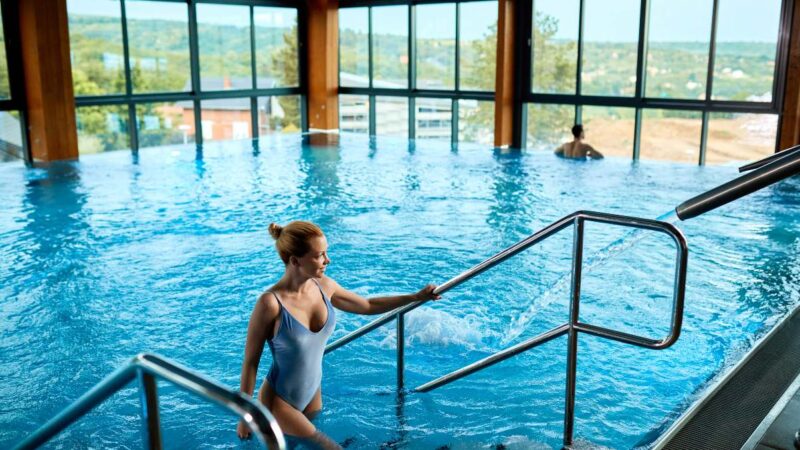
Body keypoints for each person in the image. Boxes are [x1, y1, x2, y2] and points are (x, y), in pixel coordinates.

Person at [236, 221, 441, 448]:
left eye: (326, 253)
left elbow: (367, 304)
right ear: (295, 261)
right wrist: (245, 415)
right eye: (319, 255)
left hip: (312, 394)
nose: (327, 260)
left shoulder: (324, 286)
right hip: (278, 403)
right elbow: (250, 362)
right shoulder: (270, 303)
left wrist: (415, 297)